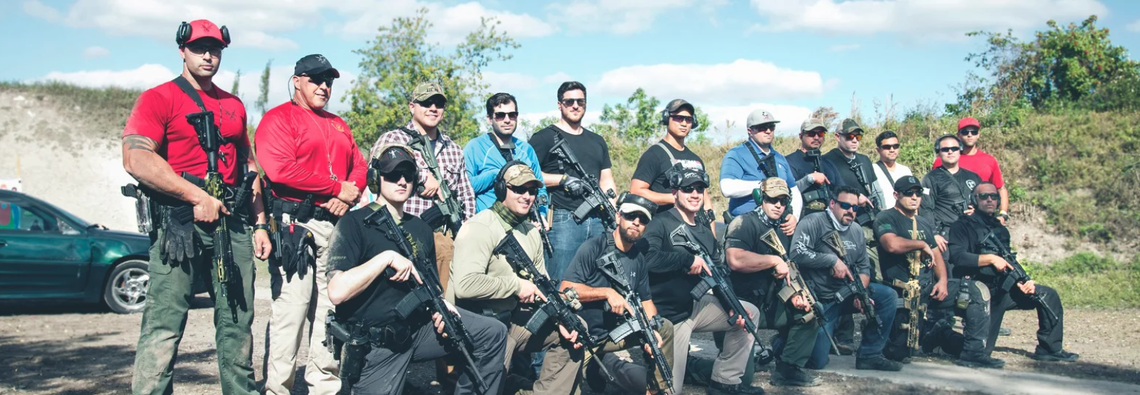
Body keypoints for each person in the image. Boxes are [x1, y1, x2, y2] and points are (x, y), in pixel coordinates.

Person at [121, 19, 271, 394]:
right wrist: (195, 196)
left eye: (216, 49)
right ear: (182, 51)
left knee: (238, 321)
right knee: (165, 324)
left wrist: (261, 224)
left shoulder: (233, 104)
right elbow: (136, 158)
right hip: (180, 223)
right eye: (200, 48)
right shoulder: (159, 98)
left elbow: (248, 167)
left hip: (232, 223)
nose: (208, 55)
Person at [326, 144, 507, 394]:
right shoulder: (353, 223)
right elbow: (337, 291)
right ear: (377, 179)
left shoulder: (420, 228)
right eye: (392, 174)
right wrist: (385, 259)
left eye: (408, 175)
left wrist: (442, 307)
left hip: (419, 331)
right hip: (380, 343)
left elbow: (430, 284)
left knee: (492, 332)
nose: (402, 181)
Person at [255, 54, 368, 394]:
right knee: (292, 309)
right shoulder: (278, 119)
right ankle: (278, 388)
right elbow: (279, 170)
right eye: (316, 79)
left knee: (330, 310)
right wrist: (336, 188)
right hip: (296, 226)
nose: (324, 86)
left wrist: (348, 195)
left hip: (335, 226)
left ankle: (323, 385)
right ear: (297, 81)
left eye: (329, 81)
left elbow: (359, 166)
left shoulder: (338, 124)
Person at [446, 162, 583, 394]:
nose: (527, 196)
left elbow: (542, 285)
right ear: (501, 190)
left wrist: (561, 316)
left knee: (573, 330)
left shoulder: (530, 231)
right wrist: (515, 285)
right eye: (519, 189)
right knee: (491, 373)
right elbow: (464, 285)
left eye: (532, 191)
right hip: (477, 325)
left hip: (511, 320)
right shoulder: (479, 227)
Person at [642, 166, 763, 394]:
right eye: (688, 189)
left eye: (700, 189)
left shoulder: (705, 231)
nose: (695, 194)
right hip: (670, 317)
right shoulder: (660, 223)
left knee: (748, 313)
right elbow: (646, 259)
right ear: (675, 192)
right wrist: (685, 260)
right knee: (670, 390)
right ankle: (623, 370)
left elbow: (716, 274)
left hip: (696, 306)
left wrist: (731, 308)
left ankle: (724, 381)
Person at [873, 176, 1000, 367]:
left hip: (928, 288)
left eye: (918, 193)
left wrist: (942, 280)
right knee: (899, 353)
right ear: (896, 195)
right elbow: (891, 244)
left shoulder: (923, 222)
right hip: (901, 292)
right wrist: (920, 244)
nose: (914, 197)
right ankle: (935, 334)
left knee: (976, 291)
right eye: (909, 193)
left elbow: (936, 255)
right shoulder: (886, 217)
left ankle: (973, 353)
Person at [556, 193, 675, 395]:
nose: (636, 223)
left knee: (665, 328)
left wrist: (652, 329)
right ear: (618, 217)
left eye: (643, 219)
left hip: (614, 334)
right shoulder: (594, 247)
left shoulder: (638, 258)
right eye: (631, 216)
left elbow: (646, 301)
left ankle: (654, 390)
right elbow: (565, 291)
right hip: (583, 338)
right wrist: (606, 293)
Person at [947, 182, 1079, 363]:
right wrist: (991, 259)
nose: (989, 200)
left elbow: (1007, 261)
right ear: (974, 200)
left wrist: (1022, 281)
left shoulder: (1000, 230)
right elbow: (958, 257)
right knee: (980, 352)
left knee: (1047, 295)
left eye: (993, 196)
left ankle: (1049, 348)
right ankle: (940, 335)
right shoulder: (962, 226)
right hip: (977, 292)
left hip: (1001, 289)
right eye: (983, 196)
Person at [370, 81, 477, 292]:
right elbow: (373, 177)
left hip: (443, 238)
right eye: (426, 103)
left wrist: (466, 234)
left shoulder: (454, 149)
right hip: (401, 233)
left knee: (443, 297)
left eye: (438, 103)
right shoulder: (393, 139)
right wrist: (420, 175)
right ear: (412, 107)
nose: (433, 108)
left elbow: (466, 194)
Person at [788, 186, 901, 371]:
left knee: (888, 296)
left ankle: (870, 354)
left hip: (848, 293)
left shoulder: (856, 230)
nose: (850, 211)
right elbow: (796, 253)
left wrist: (860, 294)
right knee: (817, 361)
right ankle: (784, 342)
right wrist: (831, 260)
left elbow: (864, 268)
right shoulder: (813, 221)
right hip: (821, 300)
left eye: (855, 207)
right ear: (832, 204)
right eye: (845, 205)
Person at [722, 177, 822, 388]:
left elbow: (786, 270)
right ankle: (693, 368)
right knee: (743, 379)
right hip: (739, 310)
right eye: (772, 200)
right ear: (761, 199)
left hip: (767, 304)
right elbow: (735, 260)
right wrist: (772, 261)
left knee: (811, 310)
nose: (778, 206)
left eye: (783, 201)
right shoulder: (744, 223)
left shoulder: (783, 228)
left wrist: (795, 295)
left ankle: (788, 368)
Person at [528, 81, 617, 281]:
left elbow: (607, 180)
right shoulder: (544, 138)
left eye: (580, 101)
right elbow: (527, 174)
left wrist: (614, 213)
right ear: (560, 104)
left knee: (596, 279)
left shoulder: (597, 140)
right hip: (563, 220)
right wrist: (562, 180)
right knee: (561, 279)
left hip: (598, 220)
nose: (575, 106)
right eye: (569, 102)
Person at [820, 118, 880, 353]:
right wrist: (856, 201)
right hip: (842, 224)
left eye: (858, 137)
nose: (854, 140)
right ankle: (841, 335)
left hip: (868, 222)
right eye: (849, 136)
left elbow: (875, 191)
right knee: (844, 273)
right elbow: (832, 193)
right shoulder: (828, 161)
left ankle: (867, 325)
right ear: (838, 137)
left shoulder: (865, 161)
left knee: (869, 272)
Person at [463, 93, 548, 214]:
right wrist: (496, 175)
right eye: (500, 115)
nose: (507, 120)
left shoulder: (526, 149)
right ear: (489, 119)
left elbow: (541, 189)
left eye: (512, 115)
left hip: (524, 225)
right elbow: (465, 188)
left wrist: (542, 215)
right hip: (489, 225)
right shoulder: (475, 147)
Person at [720, 109, 802, 223]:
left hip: (777, 224)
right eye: (762, 127)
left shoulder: (780, 158)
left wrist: (794, 217)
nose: (768, 131)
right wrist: (765, 185)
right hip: (745, 225)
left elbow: (794, 191)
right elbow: (727, 188)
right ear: (750, 130)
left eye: (771, 127)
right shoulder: (736, 154)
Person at [630, 99, 710, 213]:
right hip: (665, 226)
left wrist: (710, 228)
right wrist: (676, 198)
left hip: (696, 226)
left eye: (688, 119)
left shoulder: (696, 160)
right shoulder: (654, 154)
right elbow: (636, 191)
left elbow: (705, 198)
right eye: (678, 118)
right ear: (667, 118)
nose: (683, 123)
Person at [933, 117, 1010, 224]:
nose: (969, 135)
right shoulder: (942, 160)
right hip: (949, 222)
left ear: (978, 135)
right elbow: (933, 192)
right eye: (965, 132)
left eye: (973, 132)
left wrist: (1002, 214)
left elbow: (1000, 188)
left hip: (982, 220)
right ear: (958, 135)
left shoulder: (989, 160)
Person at [920, 135, 982, 254]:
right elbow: (926, 209)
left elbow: (986, 202)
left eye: (954, 148)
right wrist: (933, 234)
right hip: (947, 237)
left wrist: (977, 212)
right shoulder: (930, 178)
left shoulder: (973, 177)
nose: (950, 152)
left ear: (960, 151)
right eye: (945, 149)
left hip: (973, 233)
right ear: (939, 153)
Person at [785, 119, 844, 217]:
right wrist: (809, 179)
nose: (816, 137)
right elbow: (787, 192)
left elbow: (842, 190)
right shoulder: (789, 161)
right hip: (802, 219)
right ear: (800, 136)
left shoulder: (828, 163)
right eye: (811, 133)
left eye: (820, 134)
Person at [871, 131, 912, 210]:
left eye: (895, 146)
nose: (892, 150)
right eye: (887, 147)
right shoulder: (872, 170)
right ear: (878, 150)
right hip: (884, 217)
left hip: (904, 216)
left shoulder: (905, 170)